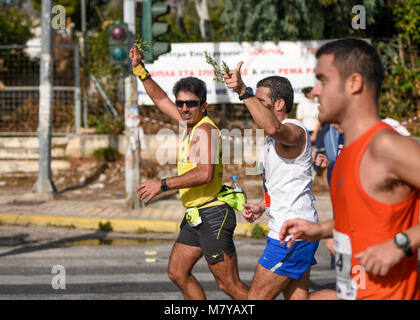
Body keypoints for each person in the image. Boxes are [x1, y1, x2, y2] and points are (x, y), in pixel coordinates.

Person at [279, 38, 420, 300]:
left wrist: (401, 243)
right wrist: (319, 230)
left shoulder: (385, 145)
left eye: (323, 80)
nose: (316, 91)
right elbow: (364, 219)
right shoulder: (343, 156)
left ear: (354, 83)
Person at [129, 47, 249, 300]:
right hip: (196, 214)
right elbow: (161, 100)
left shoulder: (205, 130)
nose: (184, 108)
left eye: (191, 103)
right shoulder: (188, 123)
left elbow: (204, 173)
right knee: (177, 272)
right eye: (181, 103)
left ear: (203, 106)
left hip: (213, 214)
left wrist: (162, 184)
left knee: (230, 285)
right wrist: (140, 70)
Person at [222, 71, 319, 300]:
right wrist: (262, 206)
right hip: (291, 230)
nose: (254, 105)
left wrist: (243, 92)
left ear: (279, 104)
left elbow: (275, 128)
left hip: (292, 234)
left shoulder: (295, 130)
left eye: (260, 101)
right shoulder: (271, 140)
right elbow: (280, 184)